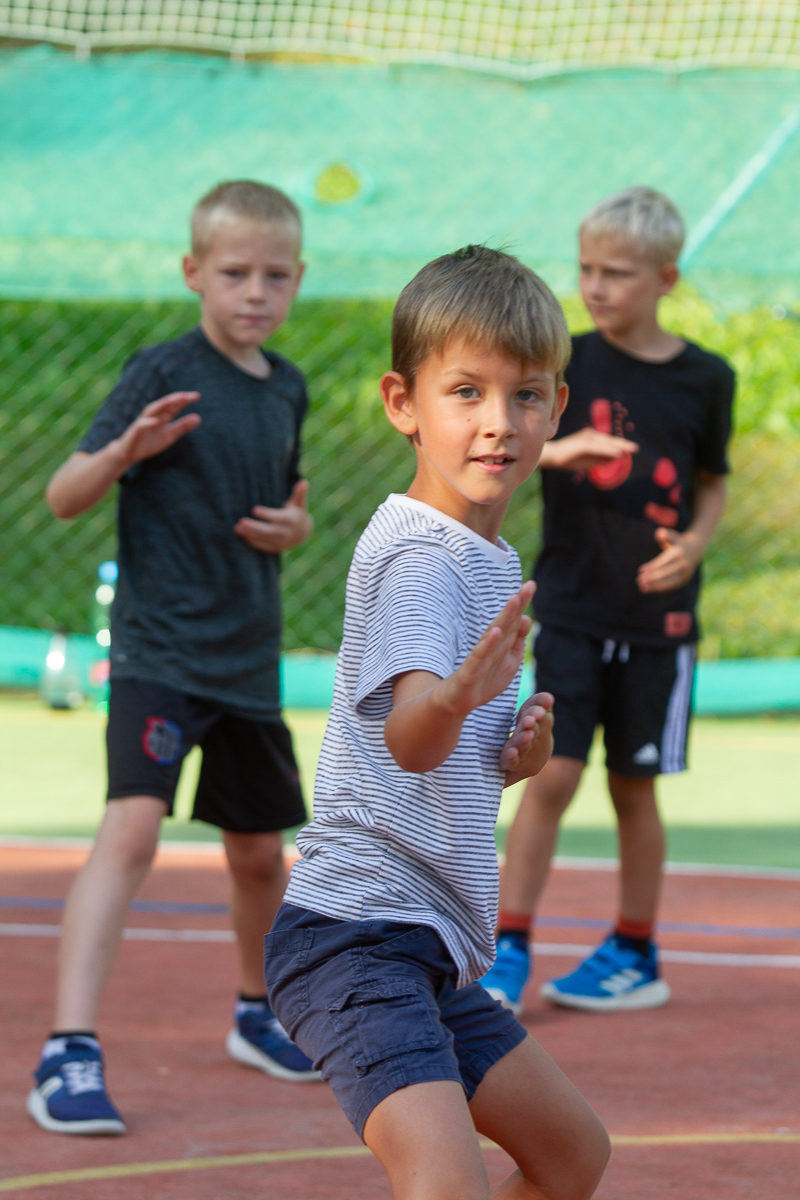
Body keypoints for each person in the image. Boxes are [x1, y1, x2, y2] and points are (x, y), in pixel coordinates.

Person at [263, 246, 611, 1200]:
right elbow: (410, 737)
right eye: (466, 392)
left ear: (557, 407)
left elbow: (439, 758)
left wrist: (510, 756)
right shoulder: (423, 558)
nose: (499, 422)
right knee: (444, 1182)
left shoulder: (482, 554)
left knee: (571, 1154)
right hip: (355, 936)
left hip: (427, 943)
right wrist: (456, 701)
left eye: (525, 395)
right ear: (402, 403)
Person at [29, 180, 321, 1137]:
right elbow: (64, 495)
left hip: (248, 659)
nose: (255, 293)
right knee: (133, 830)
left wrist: (296, 530)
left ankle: (256, 1012)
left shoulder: (287, 385)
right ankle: (67, 1051)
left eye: (274, 276)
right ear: (194, 272)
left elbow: (287, 506)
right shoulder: (161, 370)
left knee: (260, 854)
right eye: (234, 273)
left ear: (298, 279)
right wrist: (126, 449)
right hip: (160, 652)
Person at [480, 187, 735, 1016]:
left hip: (660, 624)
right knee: (549, 775)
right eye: (587, 267)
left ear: (666, 278)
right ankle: (505, 947)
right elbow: (507, 447)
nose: (595, 285)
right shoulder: (563, 361)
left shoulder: (707, 378)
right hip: (574, 608)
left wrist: (695, 543)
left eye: (617, 272)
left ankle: (634, 950)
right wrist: (561, 451)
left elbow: (712, 483)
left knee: (634, 786)